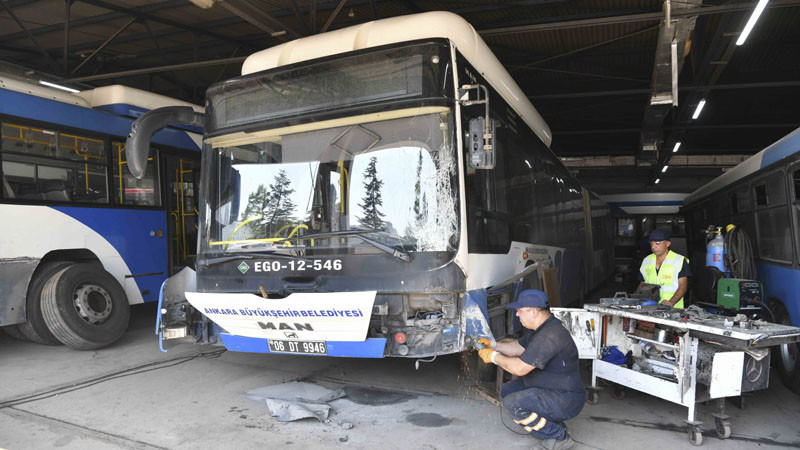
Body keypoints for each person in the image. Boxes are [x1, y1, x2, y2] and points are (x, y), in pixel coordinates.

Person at [476, 289, 583, 450]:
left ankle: (558, 436)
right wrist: (493, 345)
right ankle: (551, 424)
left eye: (520, 310)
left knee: (513, 403)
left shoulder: (549, 336)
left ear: (533, 311)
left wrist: (493, 357)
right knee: (508, 391)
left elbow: (519, 369)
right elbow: (517, 347)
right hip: (551, 388)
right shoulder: (541, 328)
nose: (517, 314)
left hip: (565, 398)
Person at [638, 229, 691, 308]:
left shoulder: (679, 261)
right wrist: (635, 299)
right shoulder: (646, 260)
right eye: (651, 244)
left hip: (672, 310)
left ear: (668, 244)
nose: (653, 247)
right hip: (648, 308)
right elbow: (642, 284)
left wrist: (671, 302)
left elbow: (683, 286)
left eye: (657, 243)